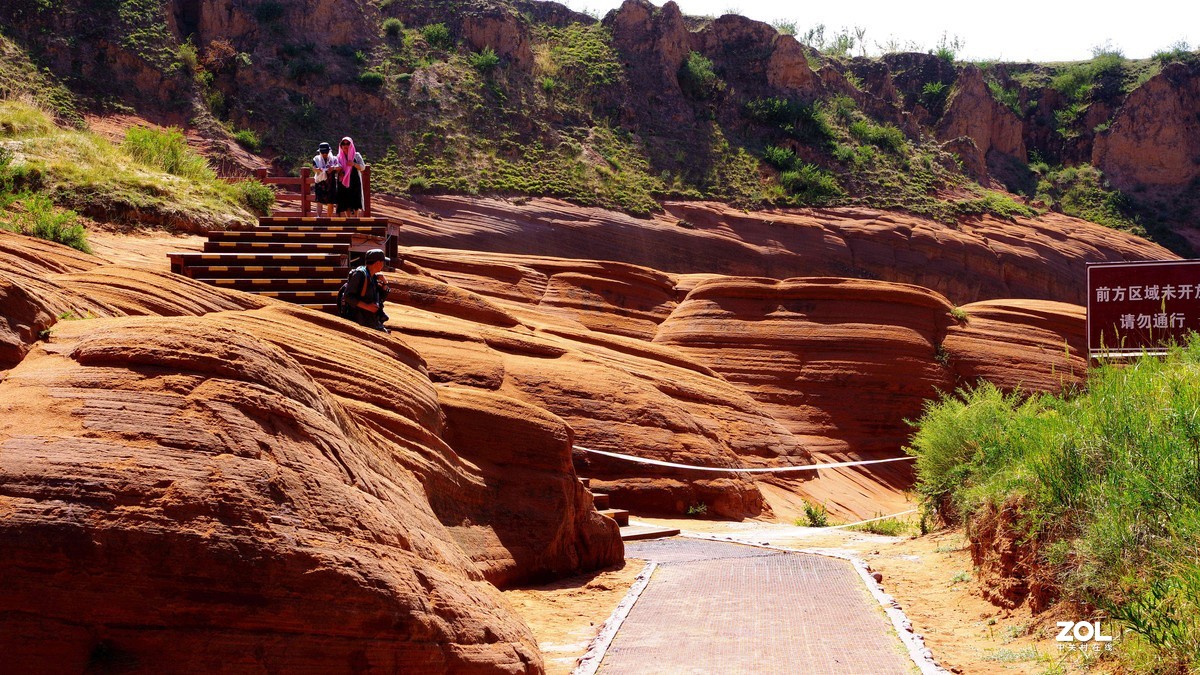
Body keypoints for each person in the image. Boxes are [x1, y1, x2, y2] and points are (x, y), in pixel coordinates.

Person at [344, 248, 390, 332]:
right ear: (377, 263)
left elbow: (381, 299)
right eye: (383, 262)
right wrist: (367, 307)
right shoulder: (360, 275)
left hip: (371, 319)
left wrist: (385, 283)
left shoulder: (372, 276)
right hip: (359, 319)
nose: (383, 265)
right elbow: (348, 296)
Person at [335, 136, 366, 217]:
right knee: (345, 200)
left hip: (354, 180)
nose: (345, 145)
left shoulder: (356, 155)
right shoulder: (338, 157)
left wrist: (354, 164)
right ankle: (348, 220)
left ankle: (356, 219)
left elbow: (363, 167)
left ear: (351, 144)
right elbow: (335, 167)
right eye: (343, 143)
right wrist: (339, 170)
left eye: (348, 143)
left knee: (355, 199)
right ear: (340, 145)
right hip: (343, 181)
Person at [311, 142, 338, 218]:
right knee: (319, 200)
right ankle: (318, 217)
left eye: (326, 152)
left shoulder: (334, 159)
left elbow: (339, 167)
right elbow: (314, 168)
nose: (324, 154)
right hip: (320, 181)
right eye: (323, 152)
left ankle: (329, 218)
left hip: (330, 182)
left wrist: (333, 168)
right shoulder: (316, 159)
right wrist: (318, 170)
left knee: (331, 202)